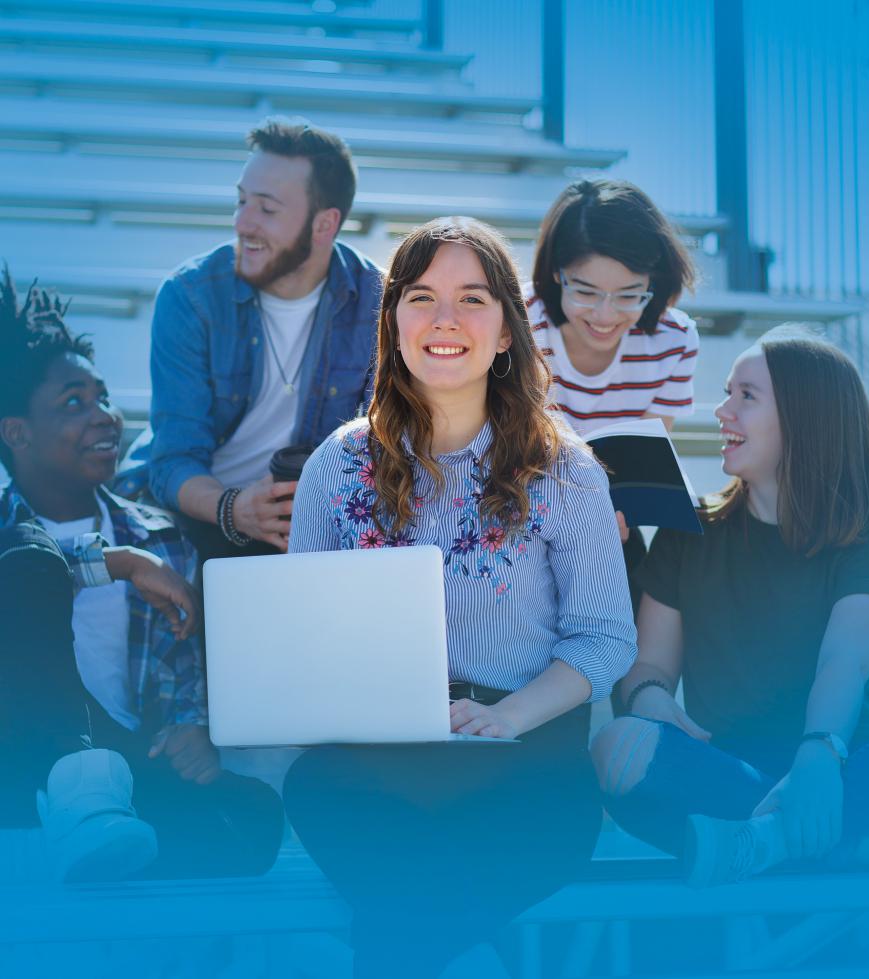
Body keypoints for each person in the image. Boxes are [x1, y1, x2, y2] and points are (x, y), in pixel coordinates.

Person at [282, 218, 637, 977]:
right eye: (421, 297)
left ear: (507, 331)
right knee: (317, 788)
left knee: (402, 923)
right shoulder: (335, 468)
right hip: (373, 766)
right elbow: (301, 634)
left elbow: (605, 638)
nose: (445, 320)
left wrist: (507, 716)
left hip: (524, 759)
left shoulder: (567, 471)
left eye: (472, 298)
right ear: (394, 323)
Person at [0, 269, 283, 882]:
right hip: (20, 765)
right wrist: (116, 567)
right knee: (29, 566)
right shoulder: (13, 538)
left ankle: (105, 838)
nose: (103, 417)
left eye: (103, 397)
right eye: (73, 403)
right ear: (16, 432)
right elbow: (26, 572)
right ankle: (80, 820)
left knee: (254, 818)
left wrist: (193, 730)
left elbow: (182, 667)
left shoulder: (160, 537)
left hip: (130, 766)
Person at [590, 327, 869, 888]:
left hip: (841, 762)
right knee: (615, 746)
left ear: (806, 417)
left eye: (745, 396)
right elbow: (649, 665)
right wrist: (651, 699)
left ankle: (768, 841)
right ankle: (837, 841)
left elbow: (843, 662)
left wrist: (820, 757)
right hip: (725, 774)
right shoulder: (689, 531)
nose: (722, 411)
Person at [122, 118, 383, 560]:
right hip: (201, 512)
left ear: (325, 224)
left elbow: (384, 449)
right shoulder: (191, 296)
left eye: (266, 208)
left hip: (314, 521)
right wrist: (233, 509)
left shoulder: (378, 302)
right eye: (241, 201)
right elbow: (173, 461)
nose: (243, 223)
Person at [526, 178, 699, 434]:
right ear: (555, 272)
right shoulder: (518, 320)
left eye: (628, 296)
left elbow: (647, 457)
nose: (605, 315)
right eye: (585, 292)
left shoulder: (675, 340)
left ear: (652, 281)